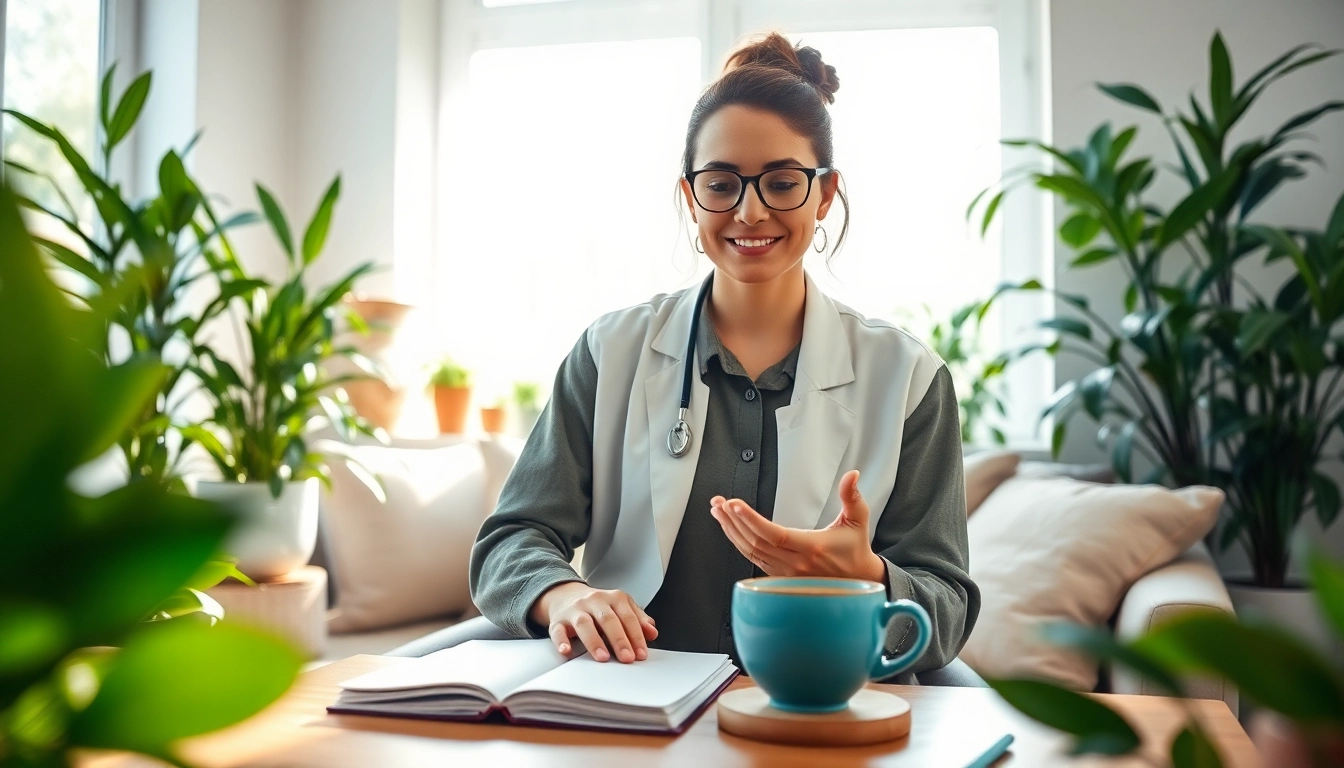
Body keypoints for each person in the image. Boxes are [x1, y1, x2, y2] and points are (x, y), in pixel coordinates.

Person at [467, 32, 979, 681]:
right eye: (721, 183)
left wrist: (867, 574)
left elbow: (948, 604)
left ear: (825, 194)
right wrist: (564, 594)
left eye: (783, 182)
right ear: (689, 196)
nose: (750, 209)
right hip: (631, 697)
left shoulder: (908, 379)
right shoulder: (610, 352)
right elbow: (511, 539)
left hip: (815, 707)